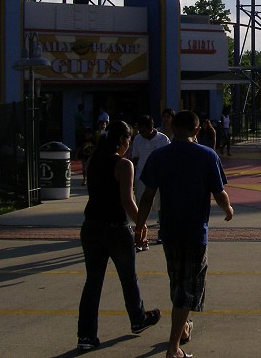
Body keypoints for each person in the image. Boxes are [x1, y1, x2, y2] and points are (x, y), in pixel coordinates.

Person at [136, 111, 234, 358]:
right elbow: (219, 192)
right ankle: (173, 349)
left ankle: (183, 328)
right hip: (194, 232)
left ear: (173, 129)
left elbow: (147, 196)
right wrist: (228, 209)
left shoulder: (160, 156)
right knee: (188, 288)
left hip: (169, 231)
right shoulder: (207, 156)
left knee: (178, 281)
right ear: (197, 130)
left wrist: (140, 225)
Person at [76, 120, 161, 351]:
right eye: (129, 140)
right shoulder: (123, 165)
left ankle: (85, 335)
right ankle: (138, 319)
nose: (129, 145)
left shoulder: (94, 160)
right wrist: (141, 226)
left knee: (93, 282)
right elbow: (127, 200)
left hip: (91, 226)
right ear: (123, 140)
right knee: (128, 278)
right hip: (115, 228)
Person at [131, 114, 171, 249]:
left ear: (150, 128)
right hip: (141, 177)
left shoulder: (163, 139)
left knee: (162, 206)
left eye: (143, 131)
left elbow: (169, 158)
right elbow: (135, 158)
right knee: (140, 207)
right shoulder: (137, 139)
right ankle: (142, 236)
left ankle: (162, 233)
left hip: (160, 178)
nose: (141, 134)